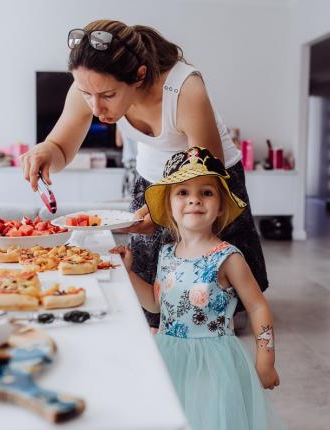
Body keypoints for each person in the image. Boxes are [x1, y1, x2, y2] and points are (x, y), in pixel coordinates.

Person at [19, 20, 268, 327]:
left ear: (138, 76)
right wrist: (46, 151)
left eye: (108, 95)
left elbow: (205, 172)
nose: (95, 108)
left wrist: (166, 206)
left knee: (212, 282)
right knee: (151, 291)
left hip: (208, 177)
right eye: (86, 94)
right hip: (152, 176)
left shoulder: (184, 89)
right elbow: (61, 147)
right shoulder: (91, 84)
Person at [111, 147, 286, 430]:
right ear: (168, 205)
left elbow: (257, 306)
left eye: (206, 192)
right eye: (182, 193)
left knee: (210, 421)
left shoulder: (228, 257)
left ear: (220, 206)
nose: (194, 199)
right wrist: (129, 274)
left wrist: (266, 359)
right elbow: (157, 305)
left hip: (214, 363)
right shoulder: (166, 253)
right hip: (169, 356)